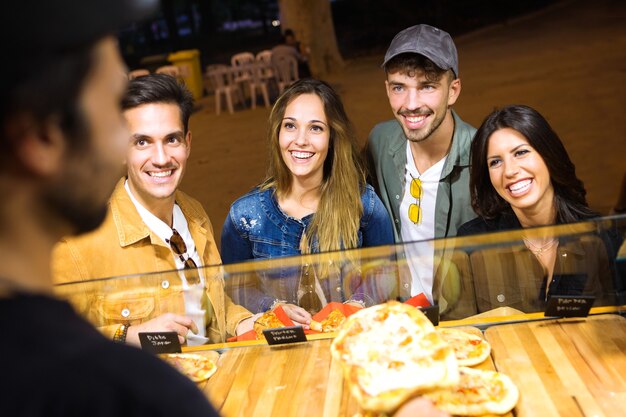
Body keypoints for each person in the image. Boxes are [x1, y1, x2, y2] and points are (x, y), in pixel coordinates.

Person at [0, 0, 222, 416]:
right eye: (109, 106)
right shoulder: (138, 395)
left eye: (172, 139)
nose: (123, 144)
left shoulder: (193, 213)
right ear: (43, 138)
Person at [52, 74, 255, 346]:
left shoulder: (194, 213)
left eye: (172, 139)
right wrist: (128, 336)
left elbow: (213, 308)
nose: (161, 159)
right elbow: (49, 343)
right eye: (142, 142)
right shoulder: (78, 245)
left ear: (188, 144)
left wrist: (248, 322)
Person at [221, 78, 394, 325]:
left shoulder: (364, 205)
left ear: (333, 136)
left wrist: (358, 303)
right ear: (277, 132)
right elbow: (232, 286)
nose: (301, 140)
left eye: (315, 128)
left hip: (348, 344)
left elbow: (386, 270)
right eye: (290, 126)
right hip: (280, 354)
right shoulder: (244, 216)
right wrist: (271, 307)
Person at [458, 104, 624, 311]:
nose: (509, 171)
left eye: (520, 153)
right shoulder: (471, 243)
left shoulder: (602, 237)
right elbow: (460, 335)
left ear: (548, 155)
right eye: (495, 162)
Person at [364, 24, 477, 304]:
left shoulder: (484, 156)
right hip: (403, 316)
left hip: (465, 321)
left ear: (453, 91)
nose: (411, 104)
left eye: (427, 86)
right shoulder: (380, 141)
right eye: (399, 87)